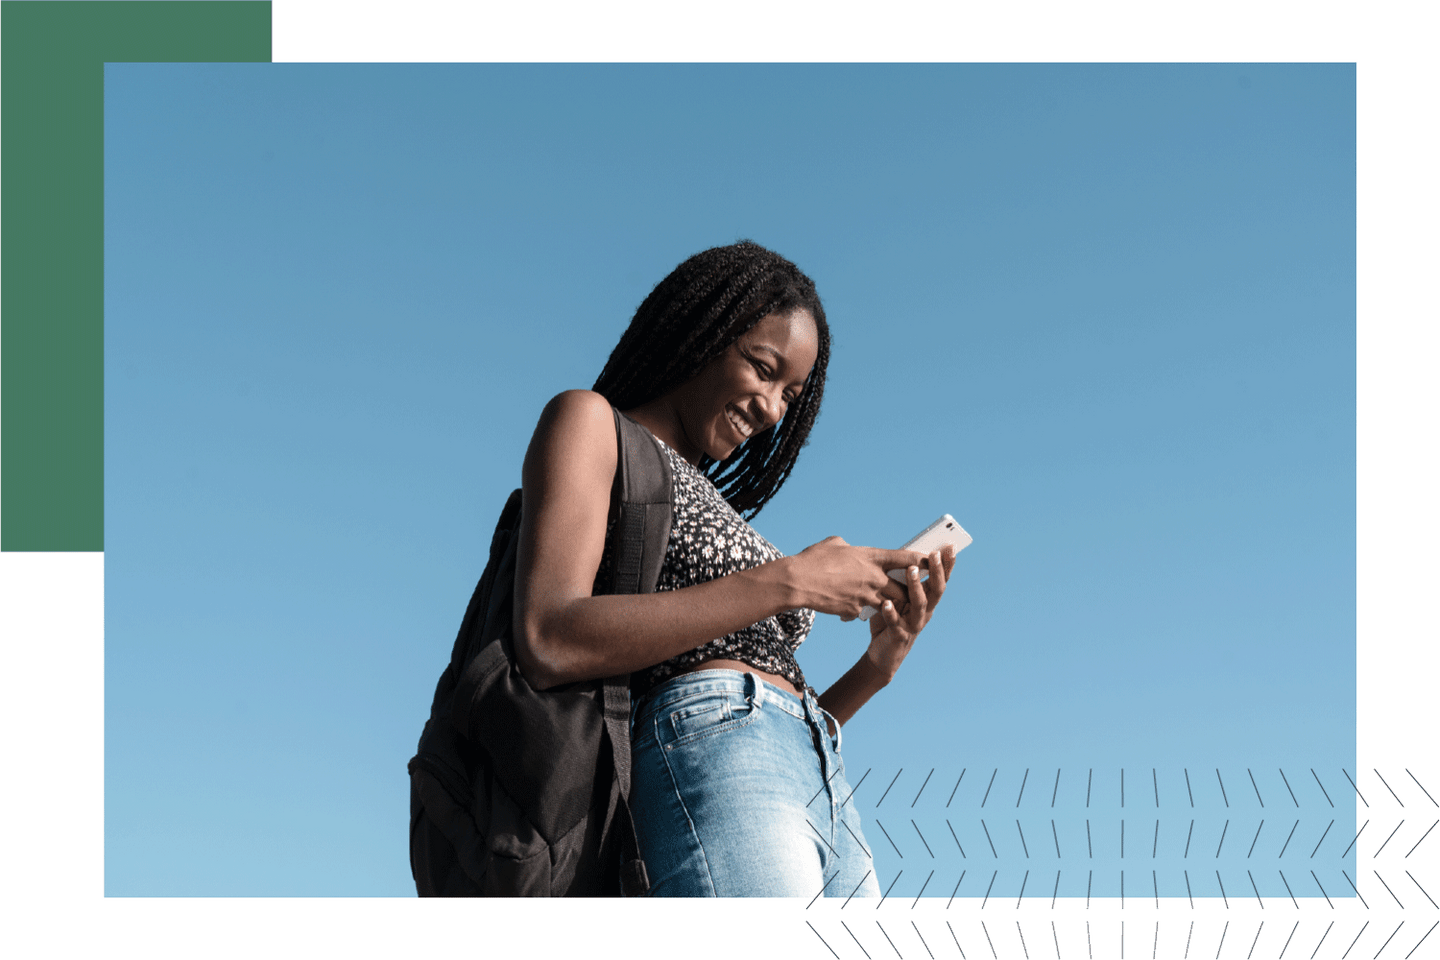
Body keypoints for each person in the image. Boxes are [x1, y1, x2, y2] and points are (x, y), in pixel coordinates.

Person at [514, 240, 958, 898]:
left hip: (819, 776)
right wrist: (794, 580)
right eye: (762, 367)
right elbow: (549, 635)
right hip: (715, 759)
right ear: (702, 334)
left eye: (792, 393)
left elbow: (768, 713)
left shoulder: (721, 504)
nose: (774, 407)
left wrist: (876, 670)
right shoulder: (592, 424)